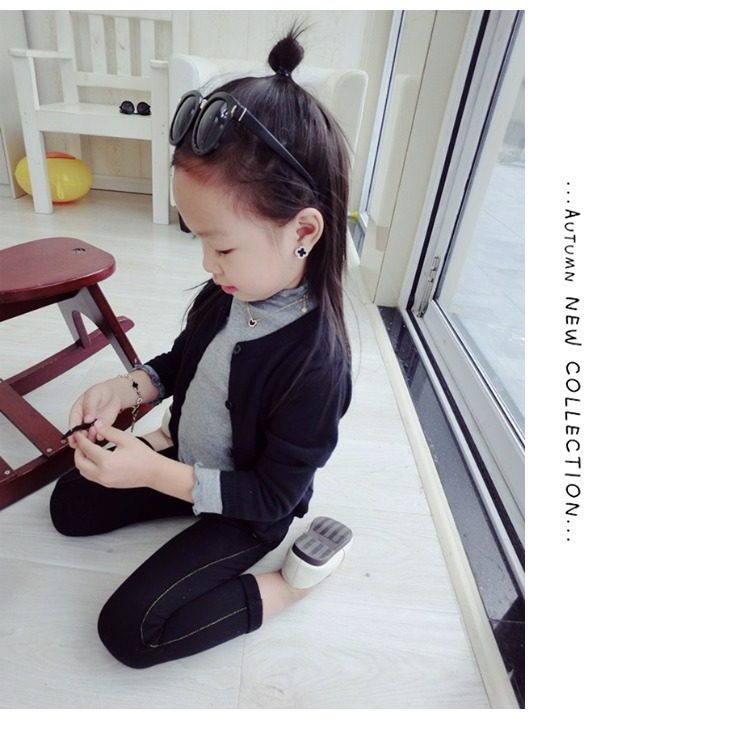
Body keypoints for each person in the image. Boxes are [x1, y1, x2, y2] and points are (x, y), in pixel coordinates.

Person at [49, 29, 354, 670]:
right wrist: (129, 387)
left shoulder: (316, 365)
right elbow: (187, 360)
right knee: (70, 504)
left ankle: (293, 584)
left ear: (302, 231)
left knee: (131, 633)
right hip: (187, 459)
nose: (208, 265)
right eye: (199, 240)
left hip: (248, 509)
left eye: (222, 245)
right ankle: (172, 480)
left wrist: (153, 473)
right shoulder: (231, 288)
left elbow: (272, 496)